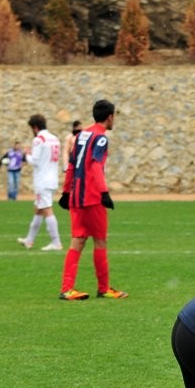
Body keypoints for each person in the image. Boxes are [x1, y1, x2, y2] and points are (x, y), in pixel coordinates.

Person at [58, 100, 126, 300]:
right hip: (92, 196)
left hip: (76, 195)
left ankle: (67, 289)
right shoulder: (101, 138)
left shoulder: (81, 135)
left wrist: (66, 192)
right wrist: (104, 193)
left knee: (78, 240)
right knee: (100, 240)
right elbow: (96, 166)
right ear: (110, 117)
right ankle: (104, 289)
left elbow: (72, 164)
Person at [17, 114, 63, 251]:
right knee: (38, 209)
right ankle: (29, 240)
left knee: (47, 209)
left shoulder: (39, 139)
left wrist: (26, 155)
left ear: (35, 127)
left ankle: (56, 242)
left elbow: (35, 161)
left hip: (42, 180)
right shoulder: (54, 138)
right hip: (52, 178)